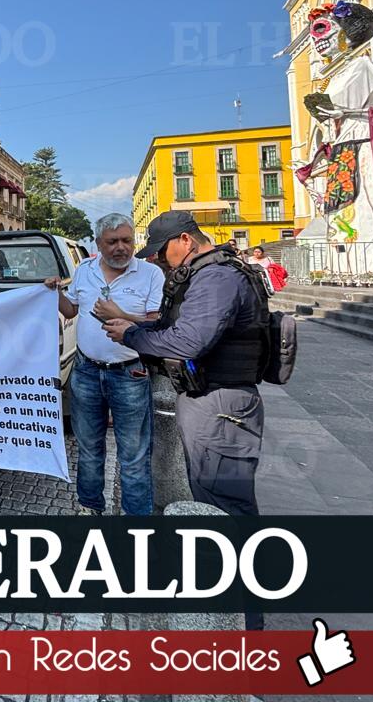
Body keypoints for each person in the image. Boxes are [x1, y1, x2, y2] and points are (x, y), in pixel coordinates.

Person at [102, 210, 267, 521]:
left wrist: (131, 335)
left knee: (224, 500)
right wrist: (138, 329)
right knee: (209, 492)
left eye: (163, 250)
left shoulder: (216, 277)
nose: (159, 259)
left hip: (221, 400)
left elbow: (188, 341)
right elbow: (174, 328)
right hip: (212, 398)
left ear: (186, 239)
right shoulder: (209, 273)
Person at [44, 213, 164, 516]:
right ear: (99, 244)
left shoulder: (150, 274)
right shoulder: (84, 270)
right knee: (88, 448)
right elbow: (71, 310)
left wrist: (119, 313)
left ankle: (136, 519)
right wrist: (54, 292)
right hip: (86, 371)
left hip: (130, 372)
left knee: (134, 455)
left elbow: (158, 323)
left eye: (127, 240)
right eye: (113, 242)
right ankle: (90, 506)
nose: (121, 247)